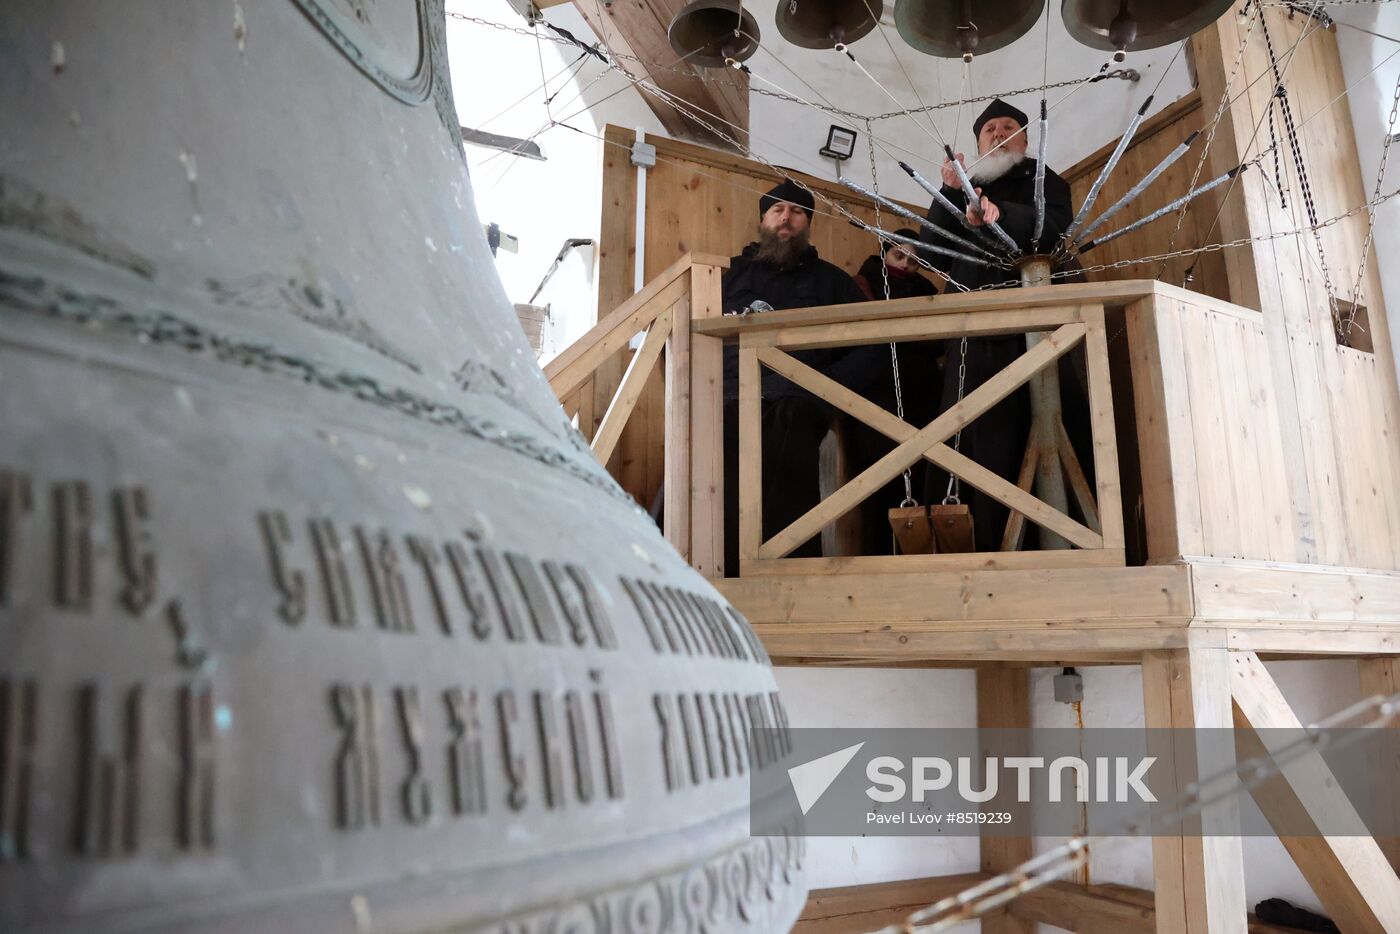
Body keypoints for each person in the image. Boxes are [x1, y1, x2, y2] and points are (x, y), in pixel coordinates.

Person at [920, 99, 1084, 551]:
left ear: (1025, 138)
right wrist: (950, 192)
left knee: (1045, 423)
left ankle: (1055, 542)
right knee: (971, 437)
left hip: (1040, 326)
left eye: (1008, 126)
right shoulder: (962, 185)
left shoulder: (1044, 179)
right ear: (978, 144)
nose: (998, 133)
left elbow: (1054, 226)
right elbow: (930, 254)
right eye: (989, 128)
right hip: (974, 333)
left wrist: (999, 214)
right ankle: (980, 546)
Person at [721, 179, 875, 573]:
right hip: (729, 396)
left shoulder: (833, 281)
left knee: (789, 423)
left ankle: (784, 571)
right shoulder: (725, 278)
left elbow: (872, 344)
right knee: (716, 437)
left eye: (796, 211)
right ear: (763, 220)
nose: (786, 217)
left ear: (807, 223)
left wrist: (825, 389)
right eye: (777, 210)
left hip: (799, 401)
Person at [849, 231, 942, 554]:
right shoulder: (862, 284)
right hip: (878, 388)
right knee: (881, 470)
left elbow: (938, 339)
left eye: (914, 261)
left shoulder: (927, 289)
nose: (906, 265)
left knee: (925, 469)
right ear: (885, 254)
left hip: (923, 390)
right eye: (899, 257)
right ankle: (879, 551)